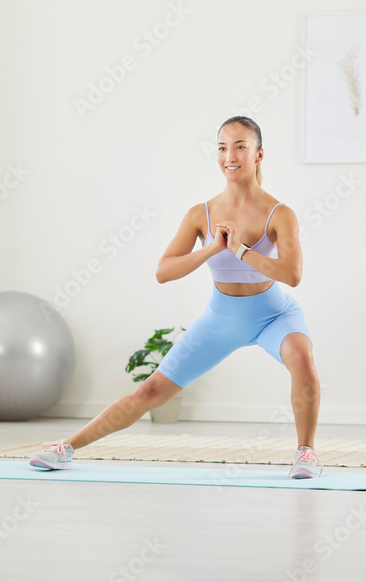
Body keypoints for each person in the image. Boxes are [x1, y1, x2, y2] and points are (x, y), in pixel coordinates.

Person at [30, 116, 322, 478]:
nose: (229, 155)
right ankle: (67, 448)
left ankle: (305, 454)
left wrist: (242, 251)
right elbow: (163, 271)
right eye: (222, 147)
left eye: (240, 147)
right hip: (222, 317)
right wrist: (213, 248)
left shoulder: (280, 214)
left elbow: (292, 274)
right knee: (151, 390)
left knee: (302, 359)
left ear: (259, 154)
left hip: (274, 314)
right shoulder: (200, 214)